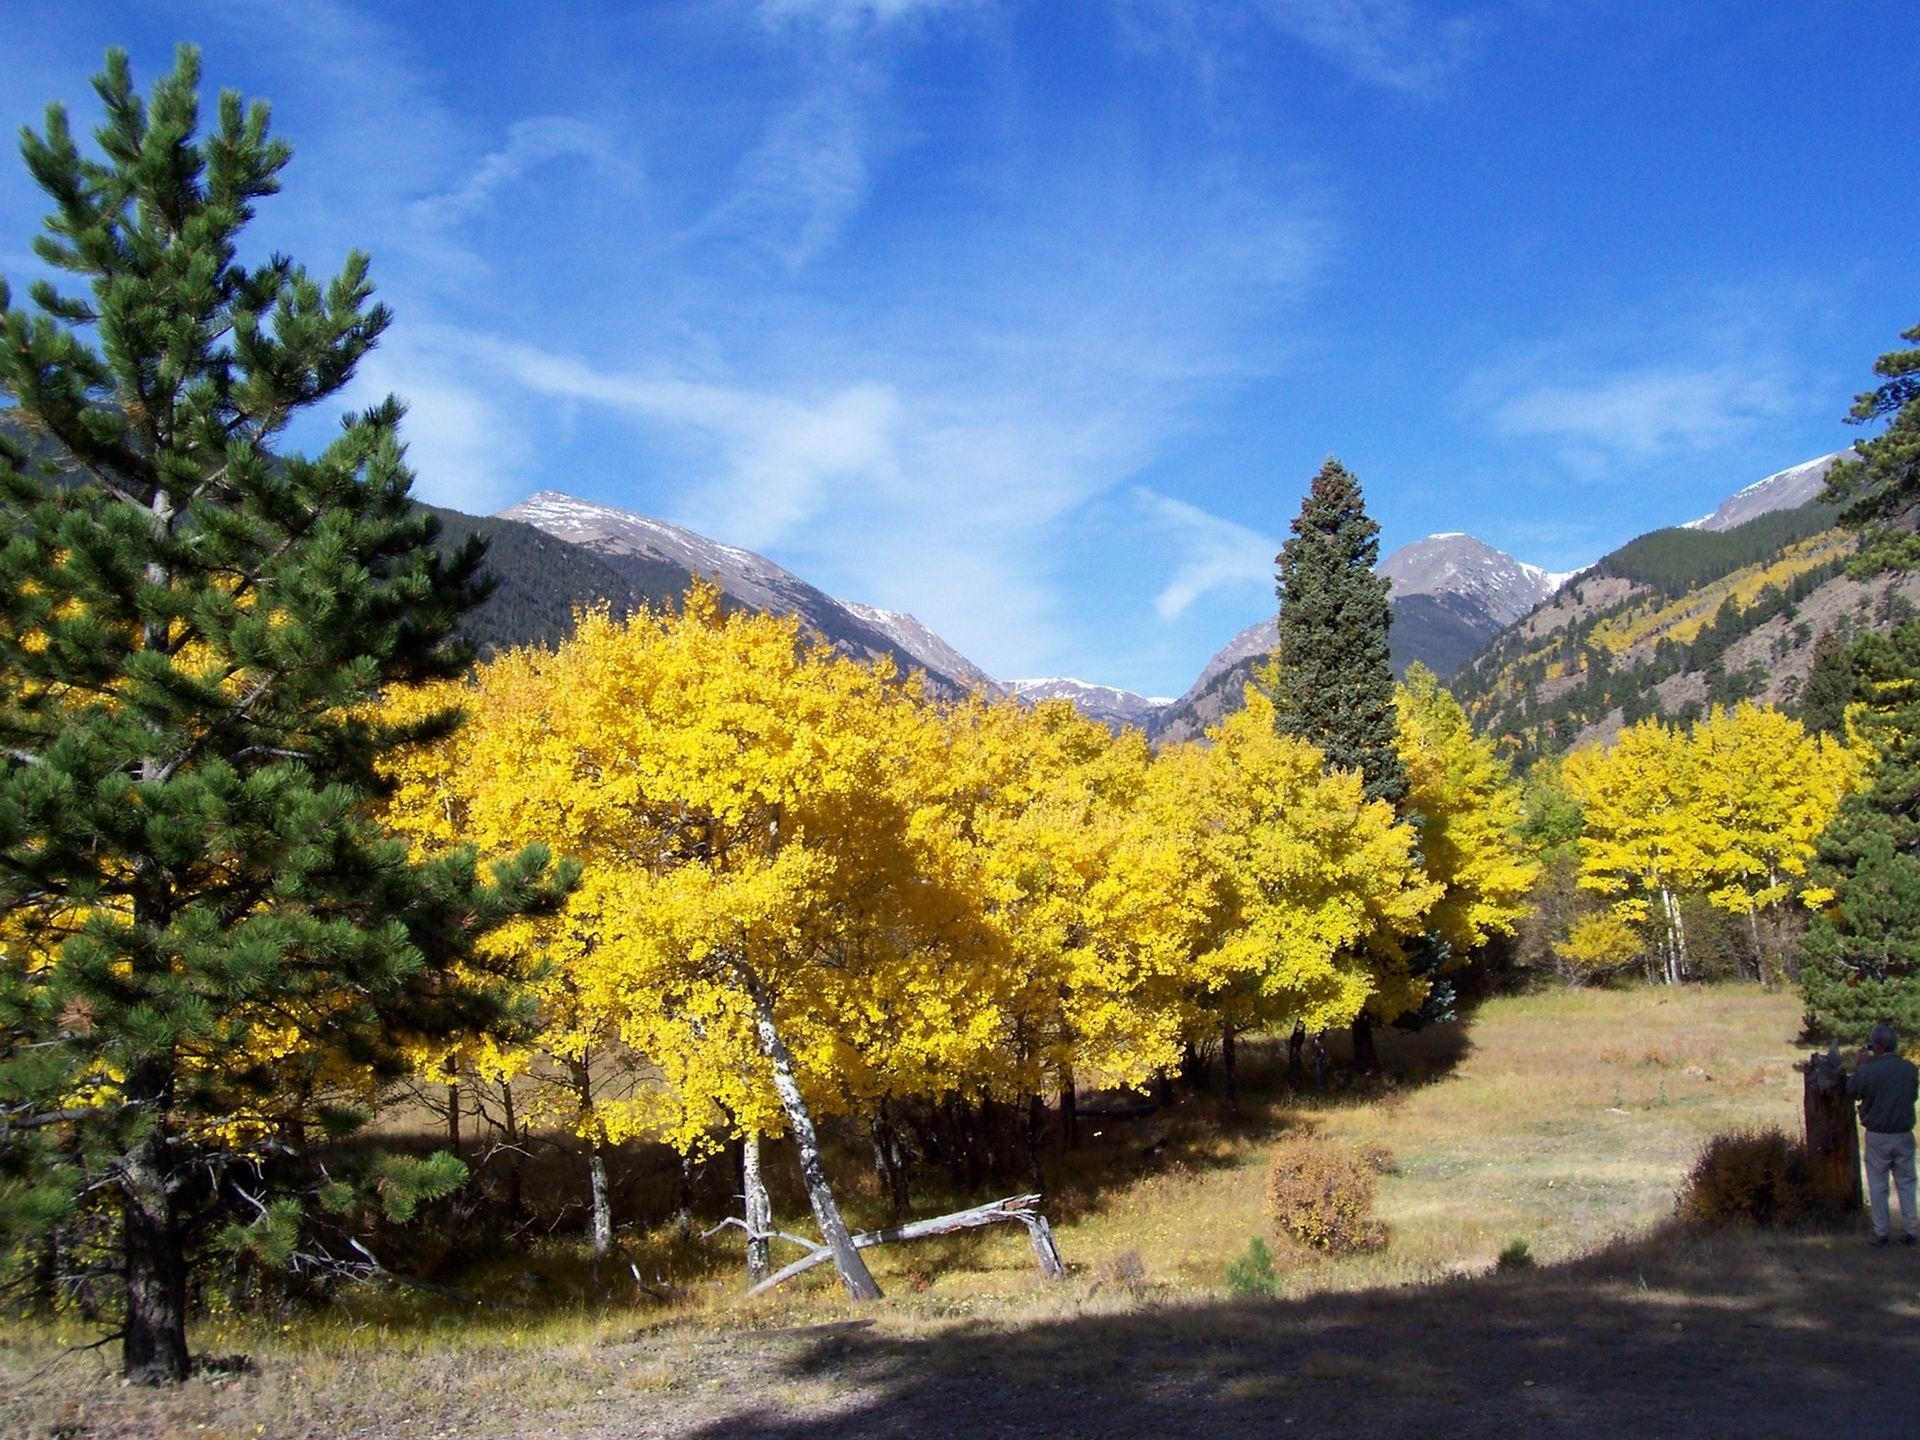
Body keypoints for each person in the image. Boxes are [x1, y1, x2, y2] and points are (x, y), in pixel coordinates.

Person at [1848, 1023, 1920, 1247]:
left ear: (1876, 1046)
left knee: (1878, 1185)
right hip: (1903, 1133)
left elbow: (1851, 1090)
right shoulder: (1909, 1069)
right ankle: (1911, 1231)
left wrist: (1859, 1066)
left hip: (1878, 1134)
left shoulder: (1868, 1071)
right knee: (1907, 1183)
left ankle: (1881, 1232)